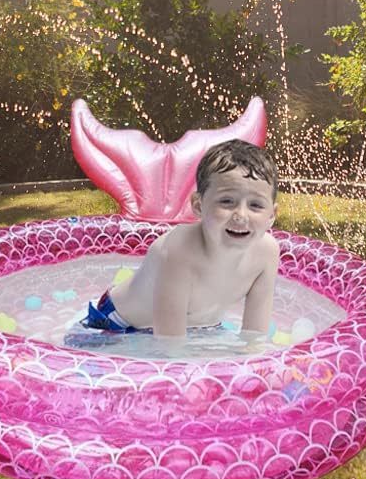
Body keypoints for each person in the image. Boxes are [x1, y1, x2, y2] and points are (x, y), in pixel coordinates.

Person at [82, 138, 280, 340]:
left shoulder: (267, 253)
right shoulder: (179, 250)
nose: (241, 215)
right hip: (117, 325)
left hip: (200, 327)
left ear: (272, 215)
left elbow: (255, 334)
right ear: (198, 205)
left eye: (256, 205)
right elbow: (169, 343)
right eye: (226, 201)